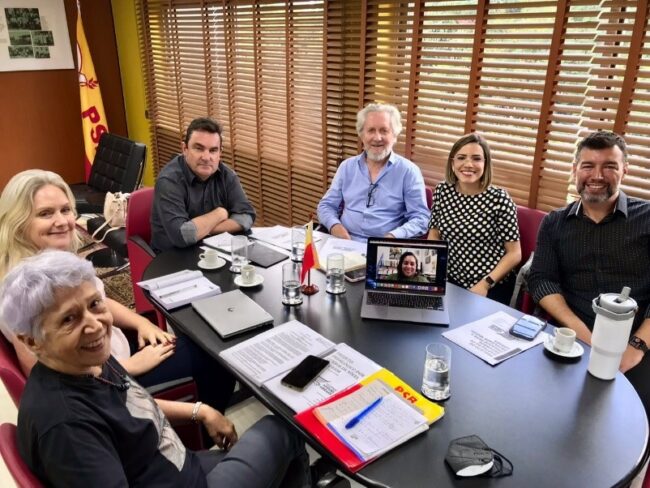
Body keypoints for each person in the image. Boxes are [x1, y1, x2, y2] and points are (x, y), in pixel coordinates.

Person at [0, 250, 311, 487]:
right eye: (69, 319)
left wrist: (201, 411)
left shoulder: (83, 362)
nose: (95, 325)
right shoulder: (66, 427)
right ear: (32, 341)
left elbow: (129, 404)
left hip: (178, 465)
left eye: (94, 304)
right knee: (286, 429)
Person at [0, 169, 235, 415]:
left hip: (111, 353)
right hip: (109, 383)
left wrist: (141, 323)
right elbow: (49, 378)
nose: (62, 221)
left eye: (65, 210)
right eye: (45, 213)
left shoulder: (52, 263)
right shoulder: (23, 292)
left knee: (200, 341)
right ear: (18, 222)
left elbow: (100, 300)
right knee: (214, 357)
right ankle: (206, 427)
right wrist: (129, 366)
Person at [528, 131, 650, 412]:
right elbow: (541, 280)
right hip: (573, 333)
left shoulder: (646, 219)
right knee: (545, 407)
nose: (597, 175)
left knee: (632, 415)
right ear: (575, 170)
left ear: (625, 170)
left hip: (638, 339)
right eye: (588, 166)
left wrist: (636, 347)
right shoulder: (555, 223)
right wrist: (582, 334)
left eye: (609, 166)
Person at [427, 134, 521, 304]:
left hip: (491, 283)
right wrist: (434, 273)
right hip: (451, 279)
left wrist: (485, 284)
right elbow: (434, 235)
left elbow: (515, 254)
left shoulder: (499, 198)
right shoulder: (442, 191)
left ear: (486, 163)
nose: (468, 164)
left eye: (476, 159)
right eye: (461, 158)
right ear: (452, 163)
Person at [317, 103, 430, 242]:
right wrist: (335, 226)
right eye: (371, 130)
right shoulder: (347, 167)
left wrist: (393, 237)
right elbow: (326, 205)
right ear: (362, 135)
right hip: (344, 242)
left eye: (384, 130)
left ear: (394, 135)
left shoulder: (409, 172)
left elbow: (421, 218)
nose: (377, 138)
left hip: (385, 246)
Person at [151, 117, 256, 253]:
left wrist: (204, 229)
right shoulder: (169, 181)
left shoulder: (227, 175)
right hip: (172, 256)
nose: (206, 157)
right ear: (184, 149)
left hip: (212, 251)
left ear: (220, 153)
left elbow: (247, 215)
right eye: (199, 148)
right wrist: (220, 214)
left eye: (213, 150)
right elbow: (182, 236)